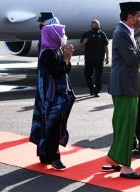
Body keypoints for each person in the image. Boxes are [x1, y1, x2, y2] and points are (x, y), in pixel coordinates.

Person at [105, 2, 140, 180]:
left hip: (125, 86)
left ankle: (113, 158)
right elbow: (132, 59)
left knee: (121, 124)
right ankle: (126, 167)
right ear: (130, 17)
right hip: (125, 87)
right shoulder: (122, 32)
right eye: (139, 16)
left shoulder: (124, 31)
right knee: (126, 126)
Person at [29, 24, 75, 170]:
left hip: (57, 95)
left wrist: (67, 59)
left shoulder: (56, 50)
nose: (64, 37)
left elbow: (65, 70)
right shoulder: (48, 52)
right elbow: (56, 72)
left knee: (53, 125)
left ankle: (45, 155)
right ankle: (54, 157)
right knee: (52, 125)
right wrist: (66, 59)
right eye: (62, 34)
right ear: (54, 35)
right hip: (52, 97)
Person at [80, 20, 109, 97]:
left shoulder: (102, 34)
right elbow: (81, 46)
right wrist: (84, 42)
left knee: (98, 75)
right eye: (94, 24)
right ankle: (91, 88)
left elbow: (106, 46)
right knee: (87, 74)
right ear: (91, 26)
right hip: (89, 58)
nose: (96, 26)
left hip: (99, 59)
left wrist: (107, 57)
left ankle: (96, 91)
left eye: (97, 25)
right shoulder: (86, 34)